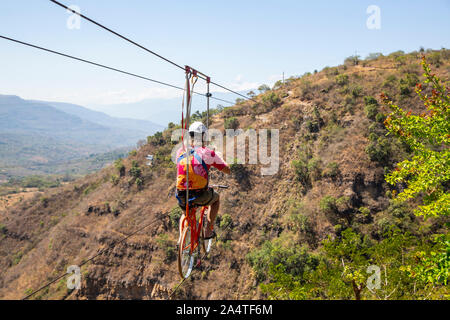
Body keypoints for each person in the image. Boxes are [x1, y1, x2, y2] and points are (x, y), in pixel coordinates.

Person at [175, 121, 230, 240]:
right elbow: (227, 170)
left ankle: (181, 239)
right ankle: (208, 231)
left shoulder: (181, 151)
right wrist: (218, 156)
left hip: (181, 194)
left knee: (185, 214)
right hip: (200, 193)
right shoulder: (208, 153)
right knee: (216, 199)